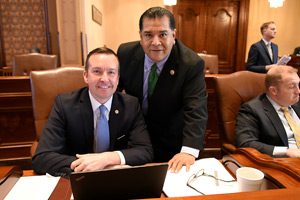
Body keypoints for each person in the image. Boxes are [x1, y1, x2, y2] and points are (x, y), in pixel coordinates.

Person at [32, 47, 154, 178]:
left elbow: (145, 150)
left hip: (115, 179)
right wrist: (89, 165)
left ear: (118, 79)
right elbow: (41, 158)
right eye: (97, 72)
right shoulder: (64, 105)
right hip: (76, 180)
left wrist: (107, 159)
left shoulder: (130, 105)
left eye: (111, 73)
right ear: (86, 76)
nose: (104, 79)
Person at [117, 7, 208, 173]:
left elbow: (196, 109)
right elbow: (114, 94)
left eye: (163, 34)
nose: (155, 42)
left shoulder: (191, 64)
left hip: (170, 140)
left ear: (173, 35)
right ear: (140, 36)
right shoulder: (125, 54)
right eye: (148, 35)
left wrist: (188, 151)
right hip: (132, 139)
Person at [236, 65, 300, 158]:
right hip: (285, 163)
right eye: (291, 87)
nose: (298, 91)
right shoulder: (252, 109)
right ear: (274, 90)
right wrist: (288, 152)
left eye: (298, 85)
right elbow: (246, 143)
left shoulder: (297, 102)